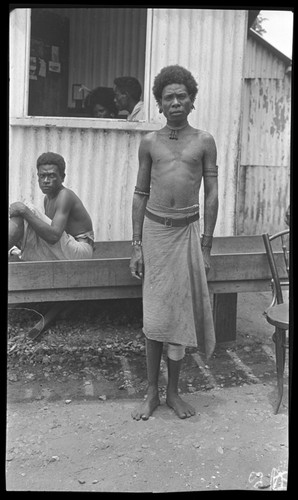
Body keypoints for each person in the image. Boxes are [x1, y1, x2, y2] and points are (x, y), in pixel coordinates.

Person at [129, 65, 218, 420]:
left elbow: (211, 194)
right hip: (155, 233)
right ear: (160, 104)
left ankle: (173, 393)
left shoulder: (204, 140)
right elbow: (139, 194)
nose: (176, 102)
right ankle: (151, 392)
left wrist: (207, 246)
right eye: (169, 97)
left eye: (182, 96)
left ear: (192, 100)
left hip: (186, 235)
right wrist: (136, 245)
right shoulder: (149, 142)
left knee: (180, 316)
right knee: (154, 315)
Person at [9, 152, 94, 261]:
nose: (46, 181)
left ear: (62, 177)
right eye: (42, 176)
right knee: (24, 220)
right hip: (65, 248)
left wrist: (25, 211)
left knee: (27, 210)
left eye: (51, 176)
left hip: (80, 251)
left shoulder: (65, 195)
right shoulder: (47, 199)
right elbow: (45, 234)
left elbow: (53, 236)